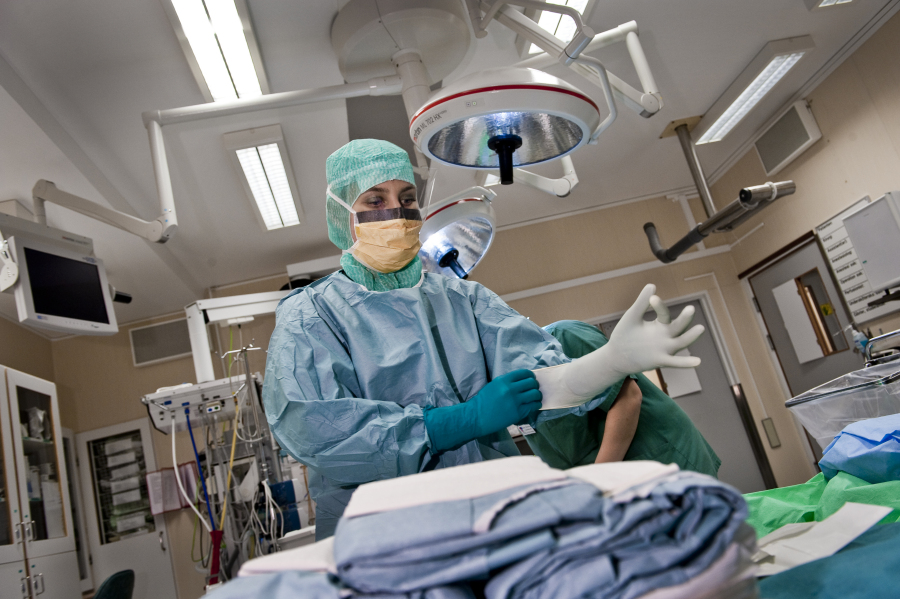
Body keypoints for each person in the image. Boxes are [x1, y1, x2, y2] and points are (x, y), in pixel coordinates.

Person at [263, 139, 704, 539]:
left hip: (488, 520)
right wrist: (463, 420)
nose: (395, 213)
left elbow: (542, 381)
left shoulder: (464, 299)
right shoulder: (311, 315)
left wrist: (610, 361)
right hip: (385, 538)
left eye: (408, 198)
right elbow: (315, 431)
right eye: (375, 199)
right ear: (343, 215)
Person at [526, 320, 721, 476]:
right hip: (613, 481)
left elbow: (628, 399)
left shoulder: (562, 337)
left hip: (657, 459)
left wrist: (598, 481)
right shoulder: (507, 387)